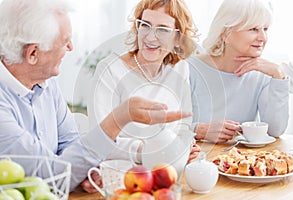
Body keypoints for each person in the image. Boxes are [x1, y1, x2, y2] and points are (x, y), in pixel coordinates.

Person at [0, 0, 191, 193]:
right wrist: (119, 119)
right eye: (65, 40)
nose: (71, 47)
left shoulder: (45, 83)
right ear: (33, 53)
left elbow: (71, 142)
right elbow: (52, 177)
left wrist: (86, 170)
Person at [88, 0, 200, 169]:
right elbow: (98, 141)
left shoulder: (180, 69)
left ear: (178, 38)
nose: (150, 36)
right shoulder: (110, 70)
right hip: (122, 173)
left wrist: (184, 147)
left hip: (168, 168)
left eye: (162, 29)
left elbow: (183, 126)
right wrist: (150, 151)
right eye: (145, 25)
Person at [189, 0, 289, 143]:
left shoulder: (262, 74)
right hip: (194, 160)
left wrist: (279, 75)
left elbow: (275, 130)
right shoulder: (190, 68)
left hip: (239, 162)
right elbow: (164, 128)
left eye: (265, 29)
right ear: (226, 34)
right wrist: (198, 130)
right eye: (253, 29)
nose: (263, 38)